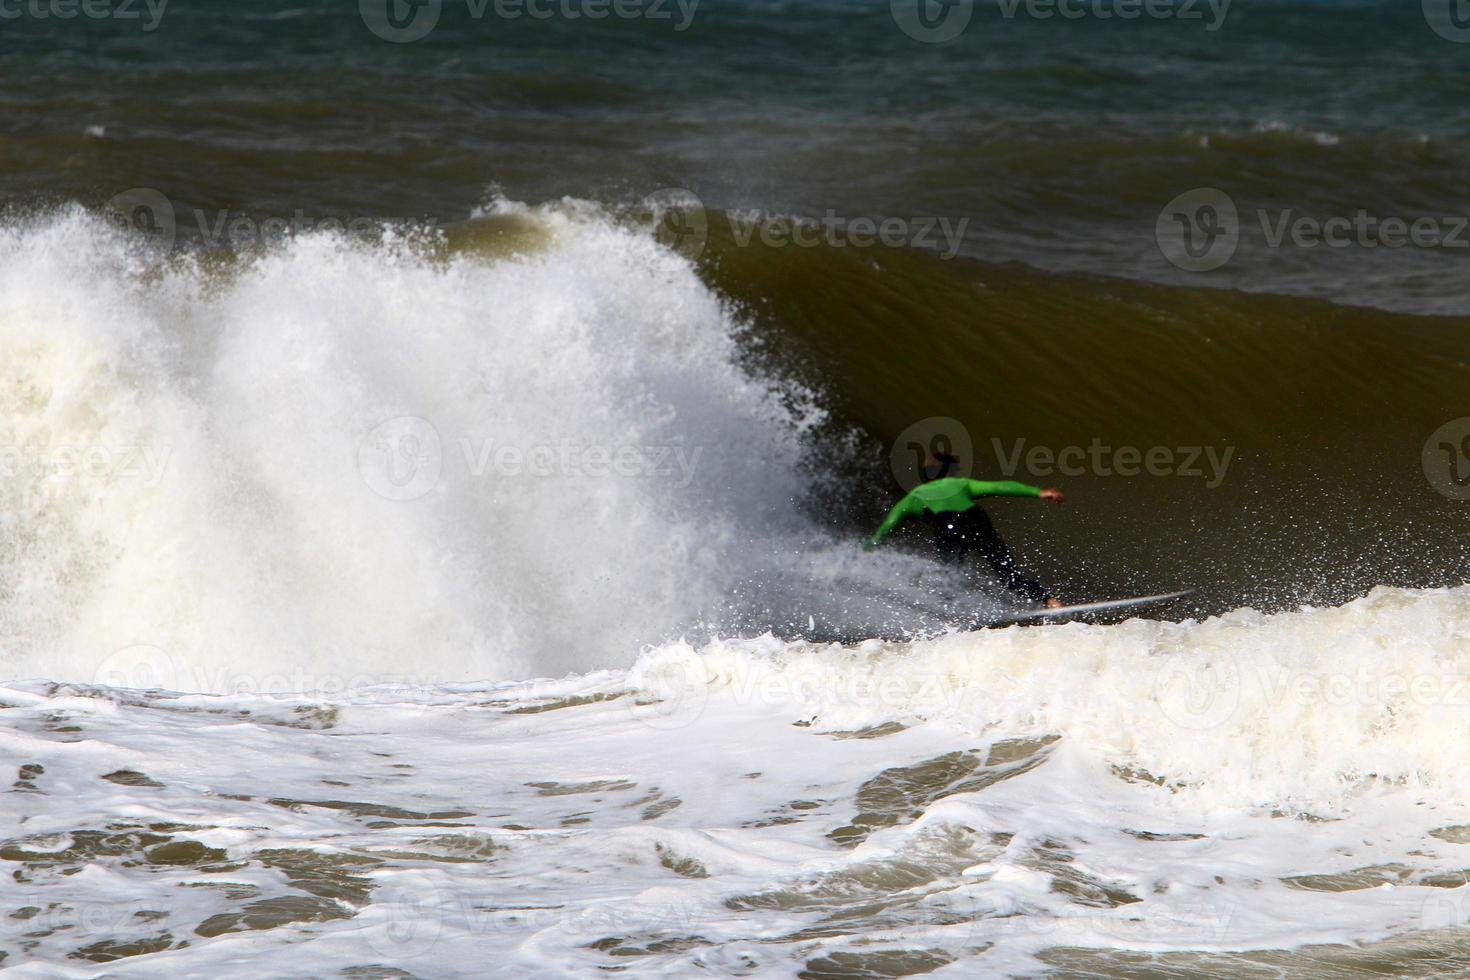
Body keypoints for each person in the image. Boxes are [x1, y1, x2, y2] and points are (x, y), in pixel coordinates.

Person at [866, 453, 1065, 608]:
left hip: (948, 529)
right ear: (950, 470)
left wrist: (864, 552)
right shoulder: (959, 483)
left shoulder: (915, 496)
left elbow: (886, 528)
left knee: (949, 577)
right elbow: (999, 487)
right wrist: (1038, 492)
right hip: (976, 522)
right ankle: (1050, 601)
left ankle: (952, 617)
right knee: (1009, 575)